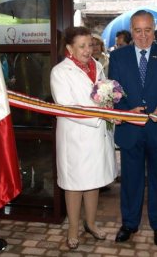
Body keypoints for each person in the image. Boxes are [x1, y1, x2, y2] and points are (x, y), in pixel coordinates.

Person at [108, 10, 157, 247]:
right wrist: (126, 111)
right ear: (132, 31)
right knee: (130, 180)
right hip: (131, 129)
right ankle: (129, 224)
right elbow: (114, 91)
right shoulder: (118, 57)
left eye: (147, 30)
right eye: (137, 31)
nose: (142, 36)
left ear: (154, 30)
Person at [50, 26, 117, 250]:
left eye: (90, 44)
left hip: (97, 135)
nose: (88, 50)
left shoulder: (97, 66)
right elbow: (67, 108)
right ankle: (72, 229)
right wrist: (101, 114)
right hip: (76, 138)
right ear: (69, 48)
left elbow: (104, 94)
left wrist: (110, 107)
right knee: (75, 184)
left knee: (93, 181)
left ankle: (90, 223)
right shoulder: (60, 72)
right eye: (82, 46)